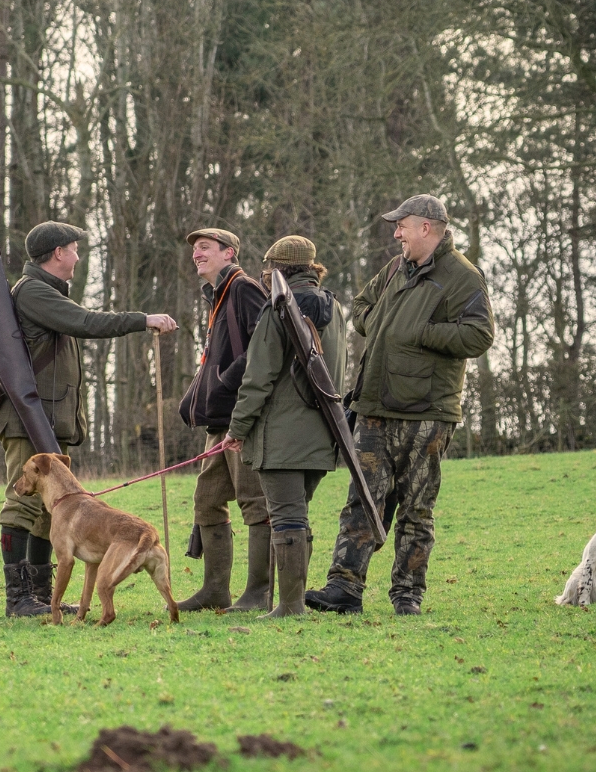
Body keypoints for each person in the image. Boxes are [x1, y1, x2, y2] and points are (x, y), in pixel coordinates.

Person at [305, 195, 494, 616]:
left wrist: (422, 331)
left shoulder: (463, 277)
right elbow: (361, 307)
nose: (396, 233)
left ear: (426, 228)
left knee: (415, 510)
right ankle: (343, 589)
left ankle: (407, 595)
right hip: (374, 407)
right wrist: (383, 326)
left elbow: (480, 336)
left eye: (402, 226)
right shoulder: (395, 268)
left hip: (427, 414)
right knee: (361, 501)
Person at [0, 221, 177, 617]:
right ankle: (18, 598)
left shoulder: (48, 293)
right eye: (74, 249)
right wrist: (142, 319)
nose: (78, 256)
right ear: (58, 253)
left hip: (44, 419)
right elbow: (87, 323)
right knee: (21, 505)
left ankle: (41, 598)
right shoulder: (34, 293)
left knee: (48, 510)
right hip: (26, 419)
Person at [224, 236, 347, 618]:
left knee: (287, 519)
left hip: (282, 436)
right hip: (322, 434)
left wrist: (237, 427)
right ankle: (291, 602)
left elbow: (257, 377)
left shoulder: (278, 308)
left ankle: (291, 606)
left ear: (276, 268)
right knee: (298, 515)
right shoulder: (335, 309)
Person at [176, 228, 269, 612]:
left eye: (205, 248)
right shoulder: (217, 296)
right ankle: (215, 590)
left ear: (229, 253)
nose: (197, 254)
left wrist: (225, 381)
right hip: (219, 421)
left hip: (243, 417)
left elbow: (265, 348)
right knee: (207, 500)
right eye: (195, 250)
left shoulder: (244, 289)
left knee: (254, 503)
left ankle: (258, 593)